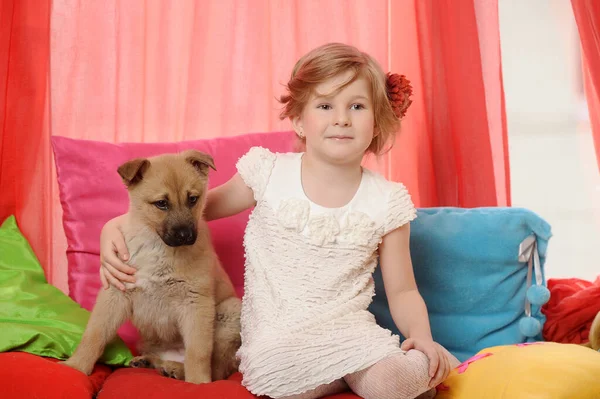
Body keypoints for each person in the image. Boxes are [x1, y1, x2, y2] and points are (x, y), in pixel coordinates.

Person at [98, 42, 459, 399]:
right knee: (284, 386)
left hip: (351, 335)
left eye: (357, 106)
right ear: (300, 121)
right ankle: (364, 380)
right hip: (280, 341)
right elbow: (189, 208)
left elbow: (403, 290)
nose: (342, 118)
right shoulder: (268, 173)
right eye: (325, 105)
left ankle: (412, 372)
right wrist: (112, 226)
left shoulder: (387, 200)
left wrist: (422, 338)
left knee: (399, 380)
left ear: (377, 122)